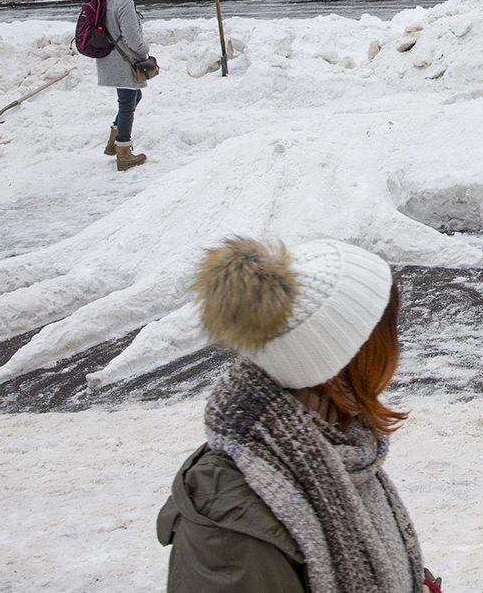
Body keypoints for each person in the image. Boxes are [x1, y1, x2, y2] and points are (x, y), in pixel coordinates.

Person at [158, 236, 439, 593]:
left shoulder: (337, 446)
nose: (398, 348)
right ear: (344, 363)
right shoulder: (235, 525)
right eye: (389, 334)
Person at [88, 0, 154, 171]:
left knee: (134, 96)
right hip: (123, 58)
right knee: (127, 102)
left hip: (109, 56)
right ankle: (123, 152)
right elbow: (132, 37)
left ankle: (113, 143)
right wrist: (144, 51)